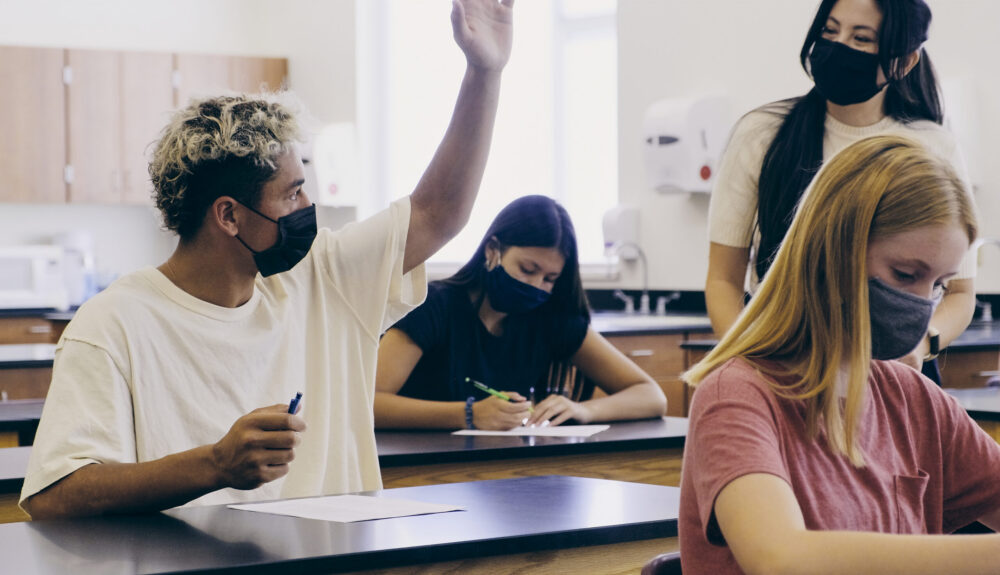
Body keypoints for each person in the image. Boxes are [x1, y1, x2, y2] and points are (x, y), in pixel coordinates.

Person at [20, 0, 515, 519]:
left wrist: (484, 71)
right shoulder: (114, 323)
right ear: (229, 215)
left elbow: (438, 212)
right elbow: (57, 495)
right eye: (293, 194)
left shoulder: (323, 276)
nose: (309, 209)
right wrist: (215, 464)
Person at [679, 135, 1000, 575]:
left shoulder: (915, 399)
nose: (925, 306)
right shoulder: (735, 395)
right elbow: (780, 559)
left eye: (940, 285)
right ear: (834, 253)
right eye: (906, 274)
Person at [705, 0, 976, 381]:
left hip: (897, 370)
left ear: (905, 61)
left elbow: (961, 293)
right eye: (830, 32)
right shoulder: (762, 135)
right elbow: (723, 279)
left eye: (861, 38)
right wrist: (750, 364)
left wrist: (920, 347)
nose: (838, 46)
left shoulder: (933, 146)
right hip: (788, 368)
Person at [374, 195, 666, 430]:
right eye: (528, 269)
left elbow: (650, 395)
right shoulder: (432, 306)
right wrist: (468, 414)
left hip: (510, 473)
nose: (537, 286)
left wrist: (584, 410)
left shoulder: (550, 318)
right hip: (421, 469)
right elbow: (368, 403)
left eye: (550, 279)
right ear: (492, 250)